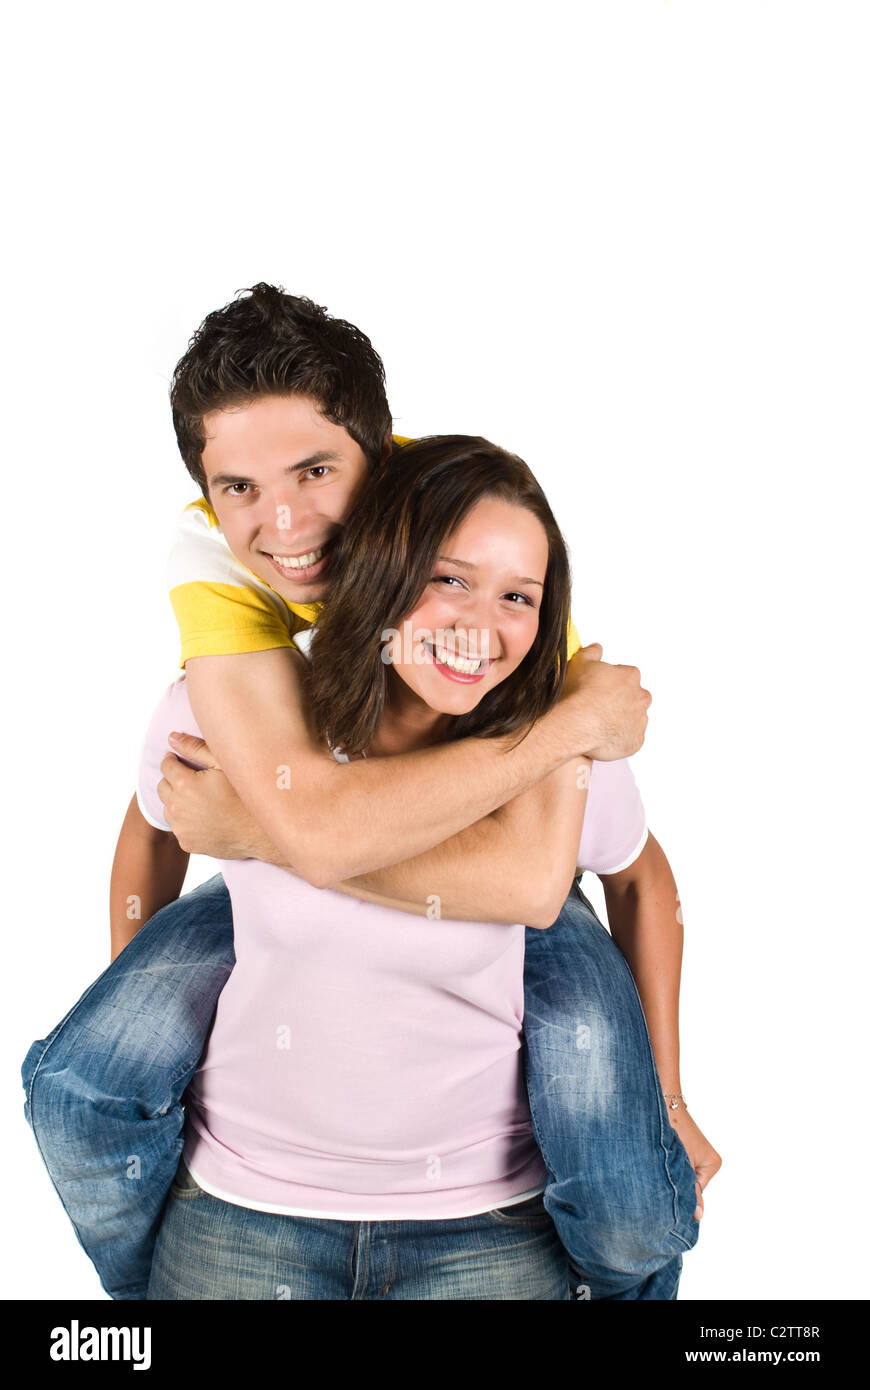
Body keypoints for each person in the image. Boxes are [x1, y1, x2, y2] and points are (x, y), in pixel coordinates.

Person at [22, 285, 719, 1300]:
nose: (286, 523)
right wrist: (178, 1011)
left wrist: (670, 1093)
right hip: (289, 873)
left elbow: (537, 881)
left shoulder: (485, 562)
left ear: (383, 464)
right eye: (242, 488)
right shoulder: (216, 575)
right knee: (82, 1088)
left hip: (518, 888)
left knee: (621, 1173)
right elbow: (173, 816)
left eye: (314, 470)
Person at [142, 434, 686, 1299]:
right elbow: (151, 828)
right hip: (243, 1217)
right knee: (72, 1099)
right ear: (385, 566)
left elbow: (640, 879)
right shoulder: (245, 715)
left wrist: (669, 1102)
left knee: (642, 1219)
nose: (481, 625)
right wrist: (144, 1040)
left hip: (485, 1228)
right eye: (450, 579)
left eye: (519, 596)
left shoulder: (559, 754)